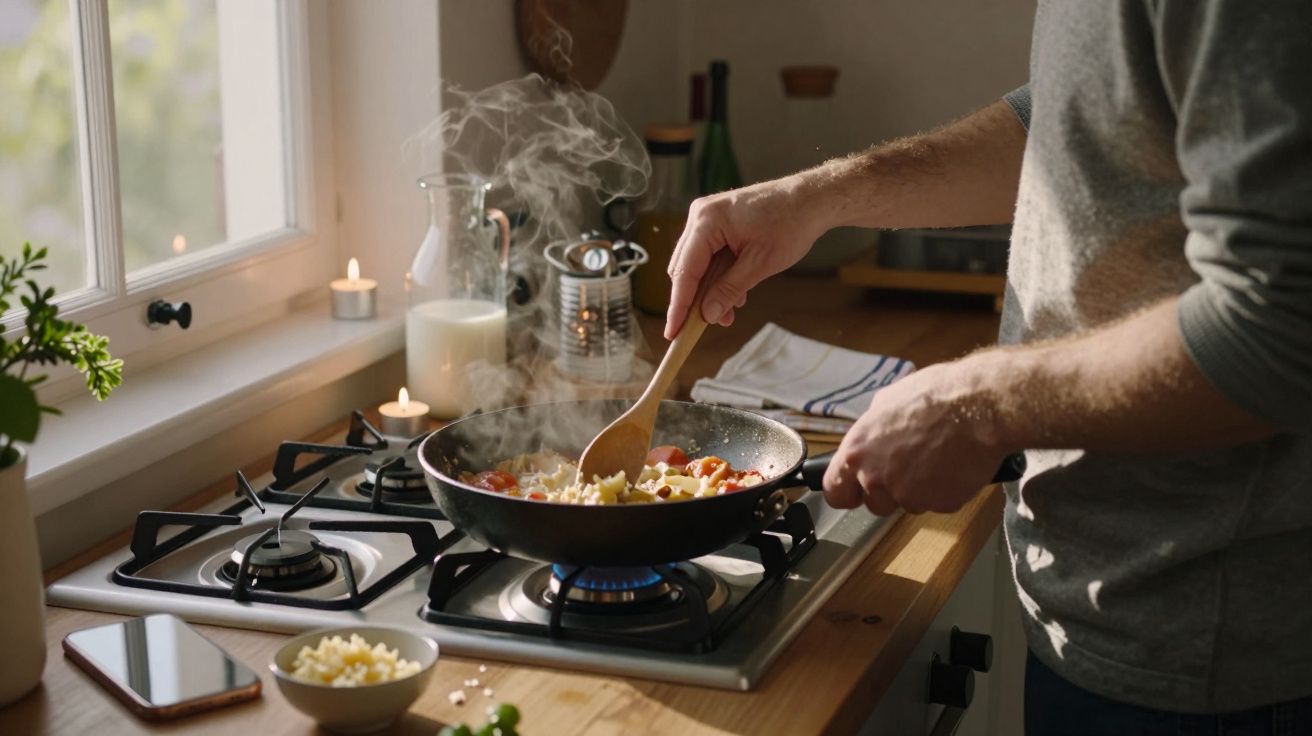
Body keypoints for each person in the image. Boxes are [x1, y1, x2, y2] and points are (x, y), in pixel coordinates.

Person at [664, 2, 1312, 733]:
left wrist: (979, 402)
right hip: (1107, 609)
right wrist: (819, 198)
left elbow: (1283, 321)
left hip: (1216, 658)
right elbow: (1083, 117)